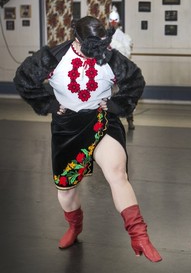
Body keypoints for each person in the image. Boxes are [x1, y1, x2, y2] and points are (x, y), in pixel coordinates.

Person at [13, 16, 162, 263]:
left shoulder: (111, 56)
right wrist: (49, 104)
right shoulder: (53, 57)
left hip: (102, 121)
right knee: (66, 190)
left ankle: (139, 234)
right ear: (77, 36)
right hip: (67, 128)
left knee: (117, 173)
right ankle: (74, 226)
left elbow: (134, 80)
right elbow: (24, 79)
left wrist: (115, 104)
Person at [108, 5, 136, 130]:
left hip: (121, 72)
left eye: (115, 21)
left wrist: (115, 46)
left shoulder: (125, 38)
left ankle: (130, 119)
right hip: (108, 72)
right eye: (111, 21)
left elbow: (127, 54)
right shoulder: (105, 37)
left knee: (125, 96)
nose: (113, 23)